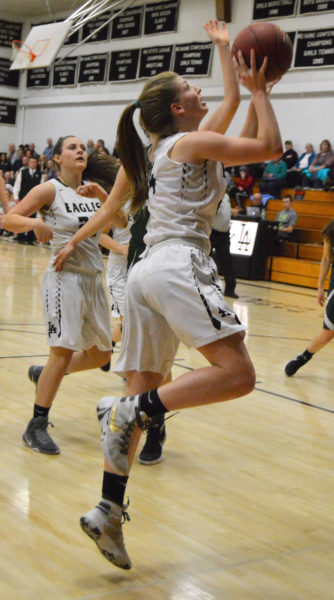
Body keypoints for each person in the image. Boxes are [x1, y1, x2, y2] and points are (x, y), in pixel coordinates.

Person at [53, 20, 282, 570]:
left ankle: (108, 508)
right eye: (189, 90)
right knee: (238, 375)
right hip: (180, 264)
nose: (199, 91)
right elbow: (269, 146)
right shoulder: (190, 141)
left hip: (145, 274)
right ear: (177, 109)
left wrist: (227, 52)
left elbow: (230, 104)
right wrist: (259, 94)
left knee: (145, 382)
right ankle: (129, 409)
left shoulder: (172, 144)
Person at [1, 136, 122, 455]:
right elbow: (8, 219)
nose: (80, 151)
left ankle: (48, 375)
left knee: (102, 354)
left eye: (82, 147)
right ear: (57, 159)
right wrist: (33, 223)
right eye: (72, 147)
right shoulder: (49, 190)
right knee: (63, 350)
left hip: (94, 279)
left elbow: (120, 223)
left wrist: (104, 195)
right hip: (63, 278)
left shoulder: (91, 191)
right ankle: (36, 425)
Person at [285, 219, 334, 376]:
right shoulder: (331, 231)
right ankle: (303, 358)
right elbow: (326, 258)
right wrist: (320, 287)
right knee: (327, 335)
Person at [210, 192, 238, 298]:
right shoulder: (213, 193)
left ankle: (230, 289)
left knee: (227, 261)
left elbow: (224, 210)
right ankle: (200, 285)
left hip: (224, 233)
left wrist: (232, 211)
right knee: (205, 259)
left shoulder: (226, 196)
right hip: (212, 231)